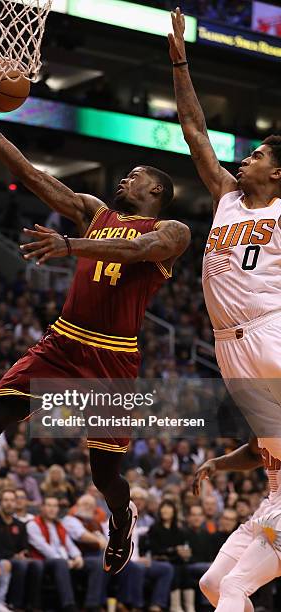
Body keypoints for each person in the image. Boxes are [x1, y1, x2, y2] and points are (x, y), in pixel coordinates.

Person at [0, 77, 190, 577]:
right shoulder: (95, 212)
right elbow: (34, 177)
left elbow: (134, 252)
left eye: (133, 176)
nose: (123, 181)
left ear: (155, 190)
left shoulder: (171, 232)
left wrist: (69, 246)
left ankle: (121, 515)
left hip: (112, 359)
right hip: (63, 342)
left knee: (103, 473)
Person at [169, 8, 281, 460]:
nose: (244, 160)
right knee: (272, 449)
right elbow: (195, 132)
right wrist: (180, 62)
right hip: (225, 345)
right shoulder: (227, 198)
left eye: (255, 156)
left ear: (277, 172)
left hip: (269, 329)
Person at [193, 436, 281, 612]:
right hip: (270, 507)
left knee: (233, 584)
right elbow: (253, 452)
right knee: (211, 584)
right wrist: (217, 463)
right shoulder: (263, 417)